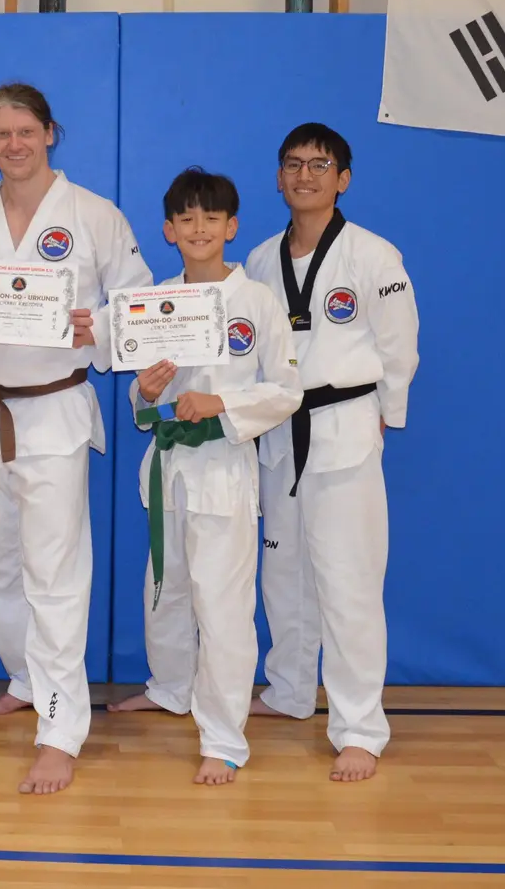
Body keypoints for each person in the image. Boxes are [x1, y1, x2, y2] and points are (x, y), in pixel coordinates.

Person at [0, 82, 154, 795]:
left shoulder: (92, 215)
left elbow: (137, 301)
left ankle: (60, 728)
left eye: (27, 131)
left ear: (51, 133)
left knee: (55, 576)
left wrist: (100, 327)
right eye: (1, 134)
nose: (15, 144)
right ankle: (27, 676)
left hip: (52, 415)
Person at [107, 168, 303, 786]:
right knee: (164, 591)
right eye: (186, 219)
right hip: (169, 467)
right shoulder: (156, 302)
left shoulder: (258, 303)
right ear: (169, 231)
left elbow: (288, 391)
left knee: (223, 608)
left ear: (232, 227)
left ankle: (223, 739)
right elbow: (142, 409)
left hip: (222, 470)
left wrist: (223, 405)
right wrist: (146, 393)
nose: (198, 229)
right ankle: (169, 688)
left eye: (210, 219)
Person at [242, 123, 420, 782]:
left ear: (343, 178)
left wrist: (385, 414)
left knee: (347, 584)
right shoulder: (260, 260)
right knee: (283, 574)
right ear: (279, 176)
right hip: (280, 432)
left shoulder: (373, 256)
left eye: (320, 165)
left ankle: (359, 728)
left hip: (345, 425)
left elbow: (400, 346)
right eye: (293, 164)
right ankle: (289, 690)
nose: (305, 175)